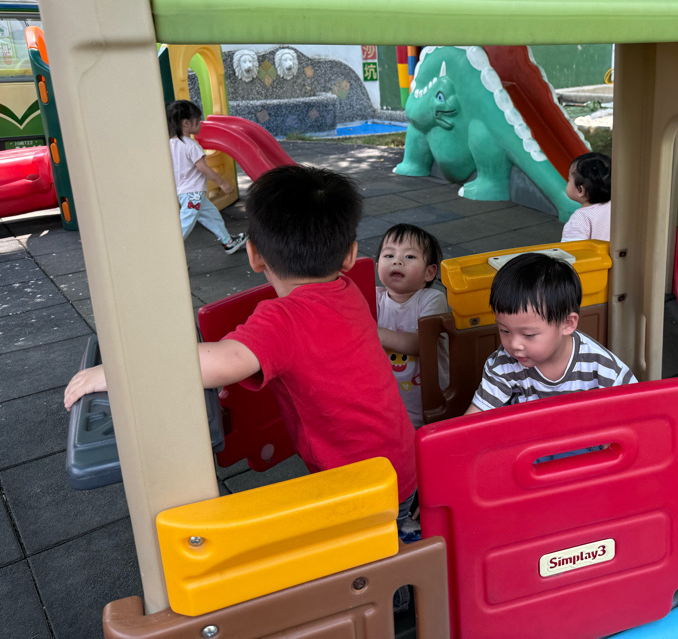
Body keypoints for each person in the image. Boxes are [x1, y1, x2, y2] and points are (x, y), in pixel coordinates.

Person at [64, 165, 418, 524]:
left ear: (254, 255)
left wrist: (118, 372)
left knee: (360, 548)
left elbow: (220, 363)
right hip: (397, 463)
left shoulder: (284, 319)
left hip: (361, 487)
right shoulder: (347, 291)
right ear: (350, 256)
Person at [465, 252, 636, 416]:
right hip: (529, 432)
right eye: (504, 330)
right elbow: (475, 417)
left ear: (567, 324)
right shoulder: (504, 364)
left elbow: (635, 410)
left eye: (529, 334)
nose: (514, 344)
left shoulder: (604, 368)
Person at [376, 223, 448, 429]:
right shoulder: (375, 298)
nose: (397, 261)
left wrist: (376, 333)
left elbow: (421, 343)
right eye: (389, 255)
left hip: (427, 402)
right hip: (388, 402)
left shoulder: (431, 299)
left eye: (409, 256)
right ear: (378, 265)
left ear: (429, 272)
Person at [167, 100, 248, 254]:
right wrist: (222, 183)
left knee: (213, 216)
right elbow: (203, 168)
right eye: (198, 120)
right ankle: (170, 254)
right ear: (186, 123)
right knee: (185, 224)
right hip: (193, 193)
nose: (200, 123)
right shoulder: (191, 145)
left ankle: (228, 242)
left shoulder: (171, 143)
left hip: (187, 192)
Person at [561, 152, 611, 242]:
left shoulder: (579, 219)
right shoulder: (614, 206)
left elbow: (572, 249)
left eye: (569, 180)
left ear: (580, 190)